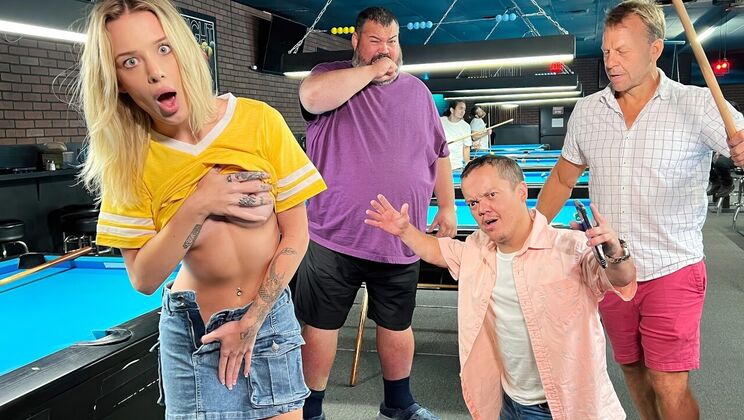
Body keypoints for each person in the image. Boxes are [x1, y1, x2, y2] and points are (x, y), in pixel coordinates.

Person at [77, 0, 326, 418]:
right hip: (194, 332)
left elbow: (296, 234)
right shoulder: (128, 160)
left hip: (268, 319)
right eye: (129, 61)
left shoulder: (259, 120)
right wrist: (199, 203)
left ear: (186, 50)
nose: (155, 72)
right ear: (116, 81)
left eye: (163, 48)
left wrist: (252, 321)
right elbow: (143, 278)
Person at [535, 1, 744, 419]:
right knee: (631, 368)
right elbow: (561, 177)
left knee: (668, 381)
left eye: (623, 51)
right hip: (611, 269)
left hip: (673, 267)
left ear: (655, 49)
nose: (611, 62)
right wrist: (533, 231)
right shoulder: (588, 111)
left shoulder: (699, 104)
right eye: (607, 51)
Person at [364, 155, 637, 420]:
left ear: (521, 192)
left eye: (491, 195)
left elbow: (621, 278)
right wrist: (405, 231)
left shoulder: (569, 247)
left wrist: (615, 253)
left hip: (566, 406)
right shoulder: (477, 249)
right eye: (473, 202)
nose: (481, 208)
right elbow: (438, 250)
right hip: (509, 401)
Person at [295, 6, 456, 420]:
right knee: (321, 326)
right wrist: (372, 70)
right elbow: (310, 98)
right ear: (355, 42)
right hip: (334, 235)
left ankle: (398, 404)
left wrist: (448, 204)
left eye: (392, 41)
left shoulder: (417, 93)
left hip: (400, 237)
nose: (385, 50)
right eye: (374, 41)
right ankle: (310, 410)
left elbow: (439, 152)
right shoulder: (329, 77)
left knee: (398, 325)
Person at [441, 100, 472, 170]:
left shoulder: (466, 126)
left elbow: (466, 147)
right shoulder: (440, 121)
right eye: (460, 108)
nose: (463, 111)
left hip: (457, 166)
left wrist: (467, 165)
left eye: (464, 109)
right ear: (452, 110)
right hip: (441, 165)